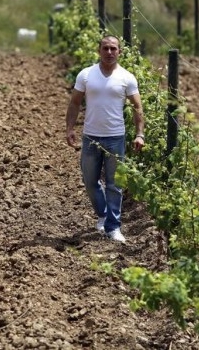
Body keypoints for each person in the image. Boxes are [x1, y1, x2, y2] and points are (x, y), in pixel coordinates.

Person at [65, 35, 145, 243]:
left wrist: (139, 134)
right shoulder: (86, 75)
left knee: (114, 184)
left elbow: (137, 107)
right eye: (106, 48)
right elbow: (75, 103)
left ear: (120, 52)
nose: (109, 52)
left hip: (115, 137)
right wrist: (70, 128)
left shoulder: (127, 78)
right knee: (90, 180)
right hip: (90, 136)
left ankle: (113, 227)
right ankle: (103, 214)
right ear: (99, 50)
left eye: (113, 49)